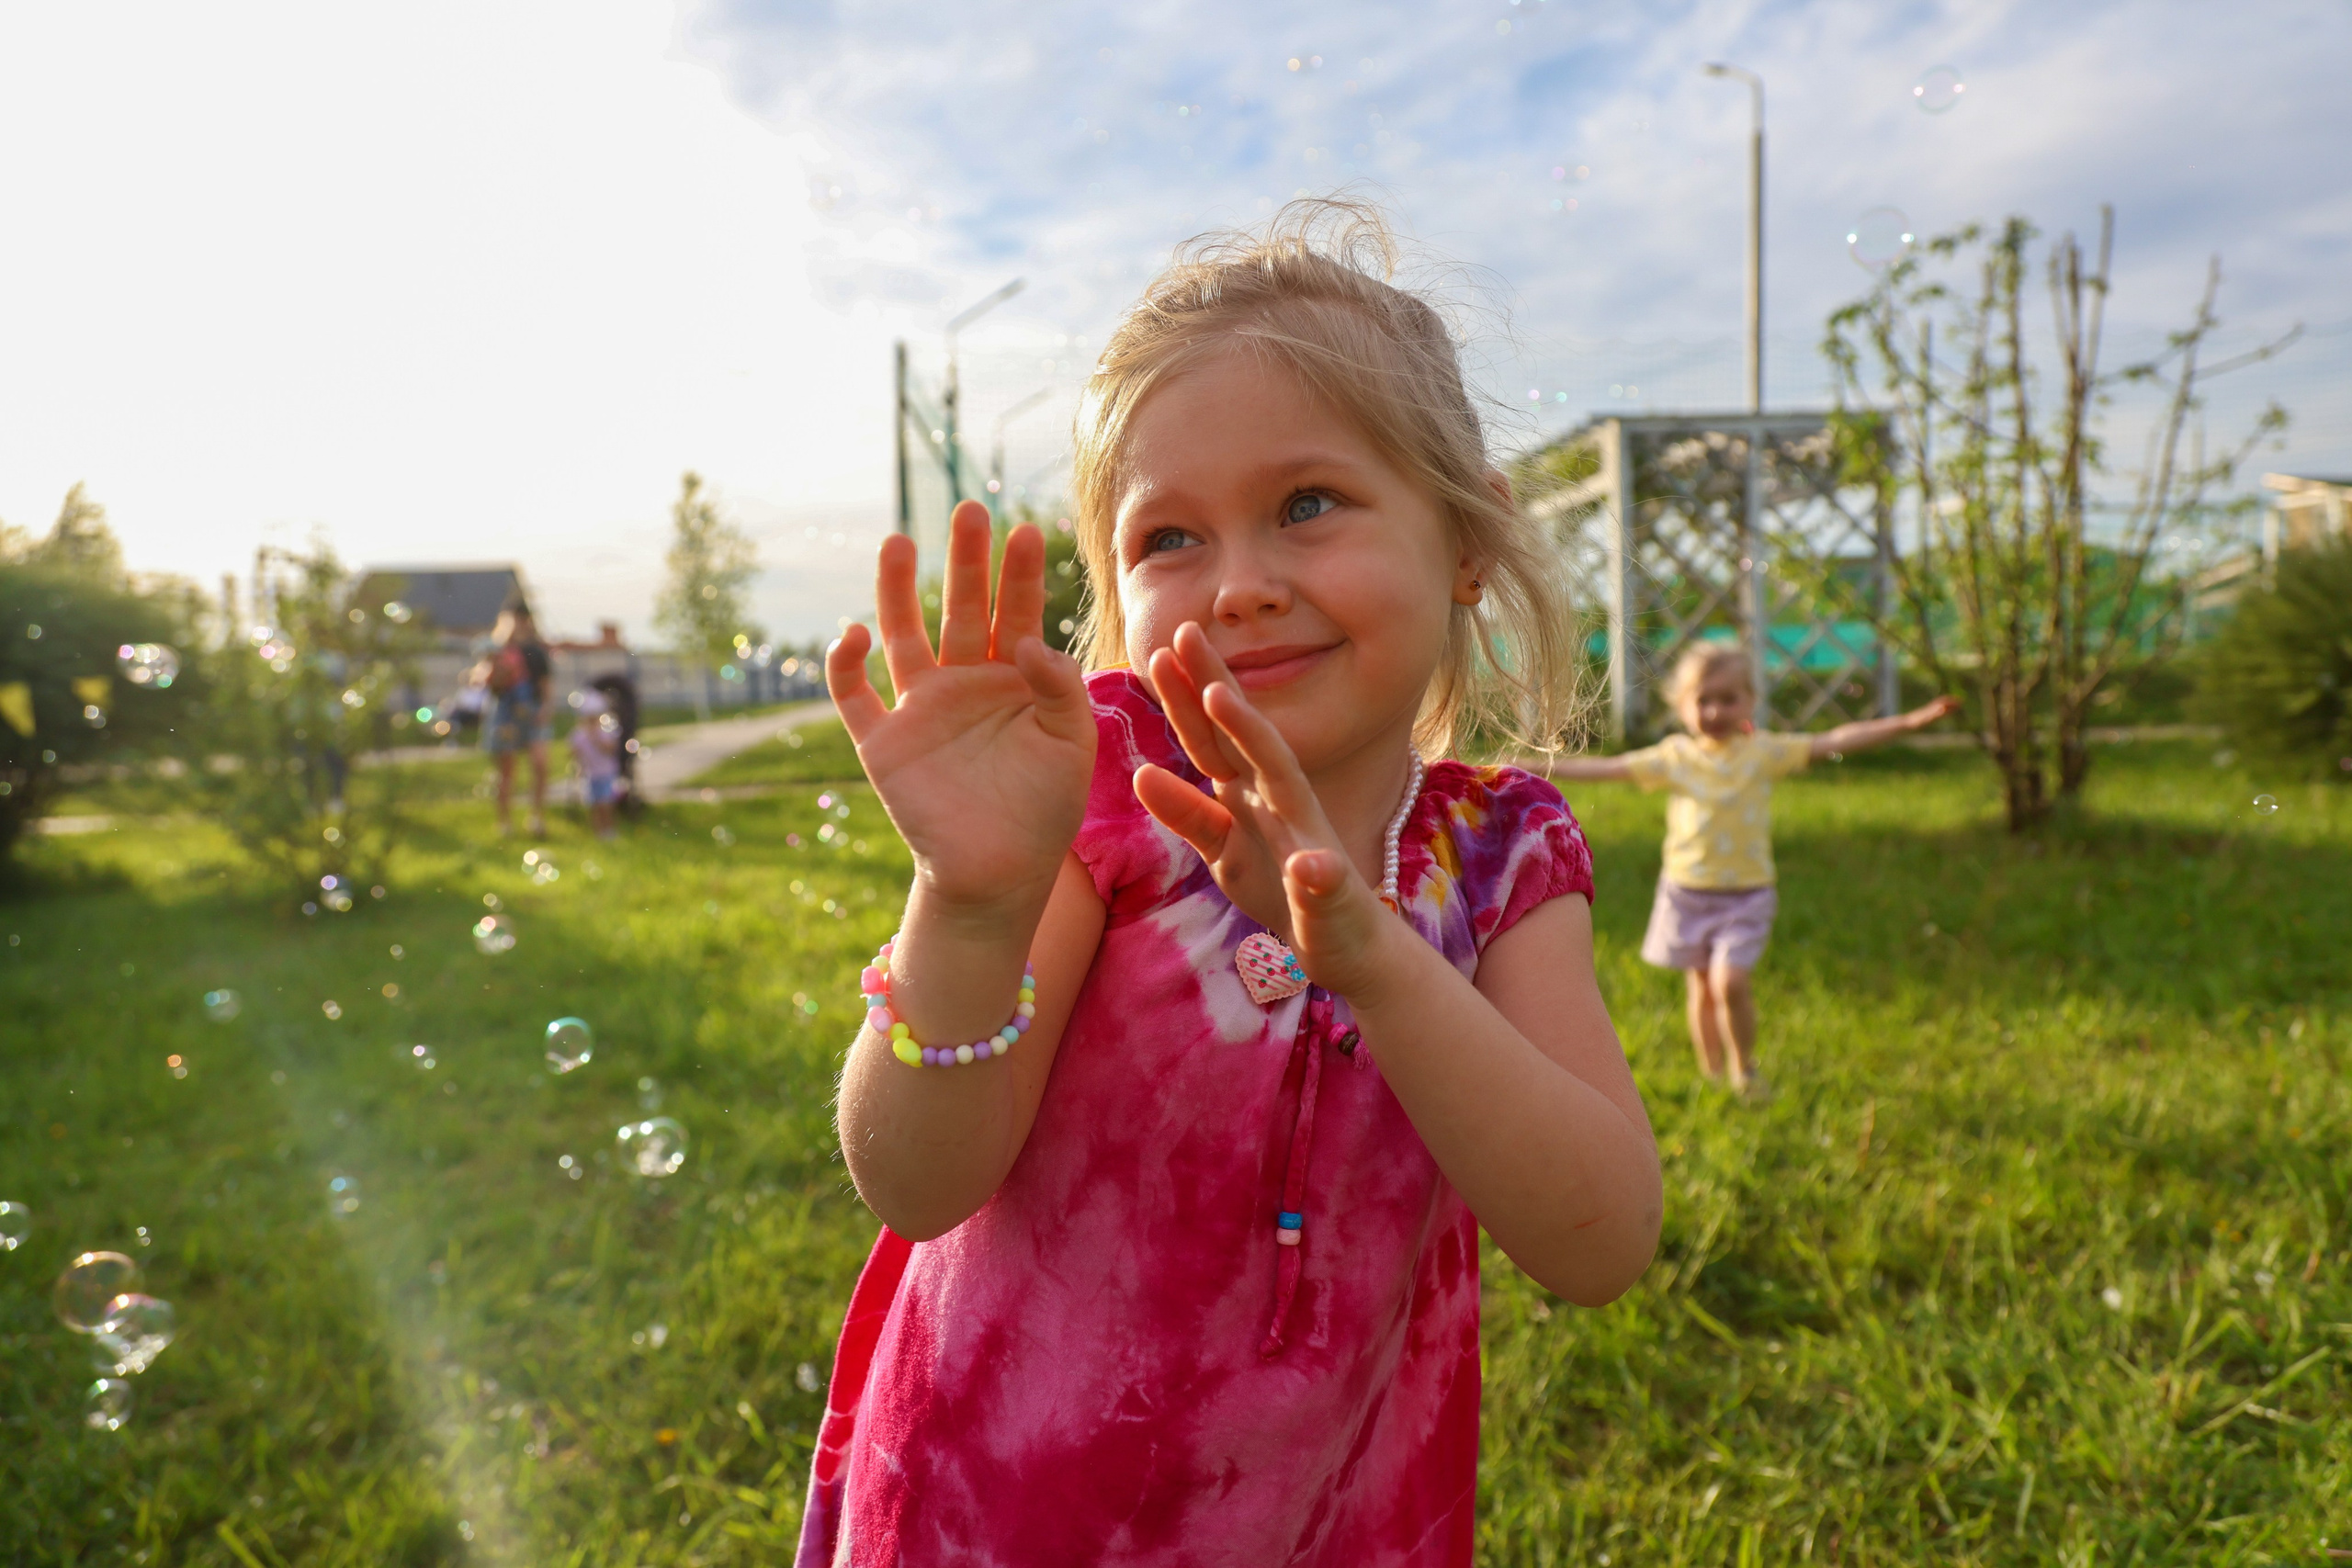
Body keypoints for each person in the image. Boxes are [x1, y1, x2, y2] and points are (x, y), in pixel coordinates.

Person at [804, 201, 1662, 1566]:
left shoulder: (1502, 857)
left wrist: (1372, 958)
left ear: (1466, 543)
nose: (1241, 586)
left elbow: (1600, 1240)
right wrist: (965, 904)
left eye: (1306, 505)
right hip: (1000, 1510)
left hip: (1329, 1520)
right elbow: (916, 1181)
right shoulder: (1106, 794)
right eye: (1169, 539)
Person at [1548, 644, 1958, 1102]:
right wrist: (1536, 766)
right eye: (1703, 700)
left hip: (1745, 896)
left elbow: (1835, 740)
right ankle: (1711, 1075)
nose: (1715, 711)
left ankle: (1743, 1069)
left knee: (1730, 983)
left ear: (1750, 701)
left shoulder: (1763, 752)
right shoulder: (1676, 757)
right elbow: (1608, 768)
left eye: (1728, 699)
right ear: (1682, 707)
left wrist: (1908, 723)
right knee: (1701, 988)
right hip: (1685, 892)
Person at [477, 603, 552, 838]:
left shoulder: (536, 652)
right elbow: (484, 681)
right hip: (506, 715)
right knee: (507, 771)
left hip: (532, 712)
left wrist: (545, 709)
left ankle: (536, 818)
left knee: (540, 764)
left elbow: (545, 685)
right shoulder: (495, 651)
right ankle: (505, 822)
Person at [569, 686, 622, 840]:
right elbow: (574, 752)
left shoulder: (605, 733)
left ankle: (609, 830)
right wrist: (577, 763)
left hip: (606, 774)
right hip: (590, 774)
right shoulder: (580, 735)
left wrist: (597, 739)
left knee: (605, 803)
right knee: (593, 804)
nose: (591, 723)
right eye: (588, 719)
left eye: (594, 718)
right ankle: (598, 832)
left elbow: (611, 749)